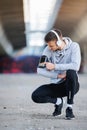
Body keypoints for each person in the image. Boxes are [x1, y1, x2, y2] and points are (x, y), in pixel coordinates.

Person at [31, 29, 81, 120]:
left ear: (58, 41)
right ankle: (58, 101)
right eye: (48, 45)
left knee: (71, 72)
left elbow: (75, 66)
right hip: (56, 85)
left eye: (51, 45)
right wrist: (57, 75)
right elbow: (39, 70)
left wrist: (55, 66)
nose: (49, 48)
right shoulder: (47, 49)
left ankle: (69, 107)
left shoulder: (74, 46)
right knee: (35, 96)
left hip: (71, 85)